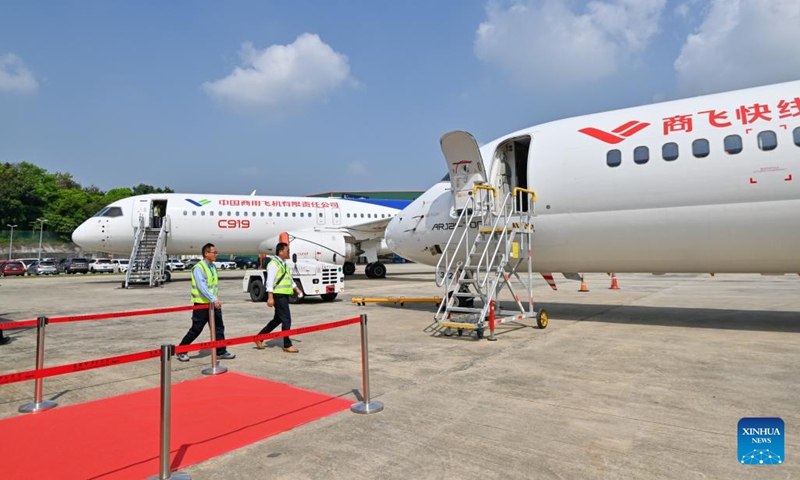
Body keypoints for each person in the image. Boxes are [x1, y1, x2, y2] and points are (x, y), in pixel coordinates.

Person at [176, 243, 235, 361]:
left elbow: (212, 286)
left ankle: (221, 351)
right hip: (201, 303)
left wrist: (214, 300)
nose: (216, 255)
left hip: (214, 303)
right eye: (214, 252)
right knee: (196, 328)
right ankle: (181, 350)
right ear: (206, 253)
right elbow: (201, 286)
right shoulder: (199, 267)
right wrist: (213, 299)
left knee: (219, 328)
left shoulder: (212, 267)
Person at [254, 242, 302, 353]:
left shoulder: (283, 263)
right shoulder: (274, 264)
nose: (289, 252)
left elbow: (289, 279)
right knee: (286, 319)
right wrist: (270, 297)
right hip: (279, 295)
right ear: (281, 252)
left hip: (284, 294)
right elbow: (269, 282)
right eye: (287, 251)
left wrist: (297, 289)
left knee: (278, 319)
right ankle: (287, 344)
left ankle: (259, 338)